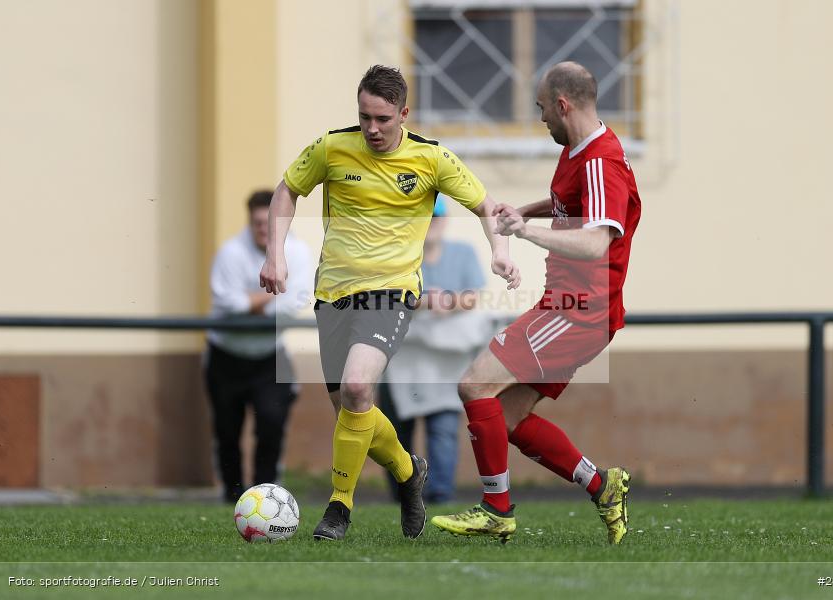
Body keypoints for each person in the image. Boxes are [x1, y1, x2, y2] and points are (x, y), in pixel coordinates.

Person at [259, 65, 520, 541]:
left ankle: (339, 509)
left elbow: (485, 207)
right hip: (333, 293)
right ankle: (406, 471)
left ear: (403, 113)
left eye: (382, 118)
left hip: (392, 293)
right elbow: (286, 191)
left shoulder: (432, 159)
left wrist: (501, 251)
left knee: (359, 389)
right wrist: (275, 255)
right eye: (364, 118)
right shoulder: (332, 147)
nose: (372, 129)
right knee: (350, 409)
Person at [431, 61, 642, 545]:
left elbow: (595, 243)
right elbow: (575, 203)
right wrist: (525, 209)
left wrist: (524, 231)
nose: (540, 117)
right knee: (503, 419)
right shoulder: (580, 150)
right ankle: (601, 483)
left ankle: (496, 511)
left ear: (563, 105)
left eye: (542, 108)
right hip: (570, 307)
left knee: (473, 385)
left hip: (577, 310)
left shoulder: (599, 161)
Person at [379, 196, 490, 504]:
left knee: (442, 428)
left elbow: (473, 297)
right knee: (395, 431)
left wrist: (450, 301)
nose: (430, 223)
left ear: (445, 220)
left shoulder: (463, 254)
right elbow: (388, 296)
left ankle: (440, 494)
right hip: (401, 359)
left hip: (444, 360)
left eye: (436, 216)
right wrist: (426, 300)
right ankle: (404, 495)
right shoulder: (397, 256)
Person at [205, 190, 312, 503]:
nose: (264, 229)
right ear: (248, 221)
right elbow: (228, 302)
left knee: (271, 424)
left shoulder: (298, 252)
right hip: (225, 355)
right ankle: (232, 495)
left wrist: (251, 301)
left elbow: (294, 305)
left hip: (270, 357)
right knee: (227, 431)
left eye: (270, 223)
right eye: (257, 223)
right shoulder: (230, 253)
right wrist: (272, 296)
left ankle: (265, 496)